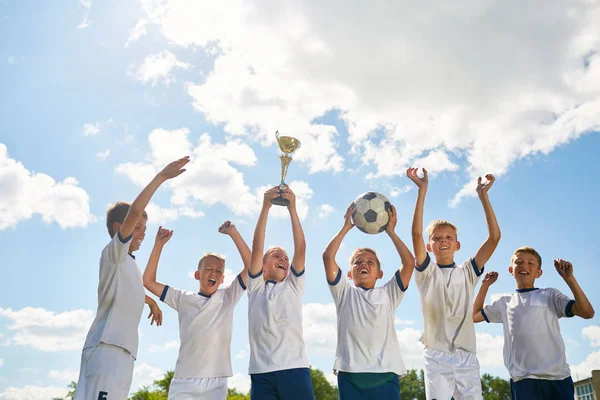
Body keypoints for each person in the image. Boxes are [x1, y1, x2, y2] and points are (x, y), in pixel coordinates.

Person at [75, 156, 190, 400]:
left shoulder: (129, 263)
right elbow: (136, 210)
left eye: (144, 230)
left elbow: (134, 288)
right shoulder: (114, 253)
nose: (142, 234)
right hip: (107, 347)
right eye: (137, 227)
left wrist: (150, 301)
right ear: (120, 228)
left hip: (124, 351)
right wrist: (161, 177)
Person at [407, 167, 501, 400]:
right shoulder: (426, 272)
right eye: (437, 238)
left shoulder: (468, 272)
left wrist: (483, 197)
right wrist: (422, 190)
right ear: (430, 246)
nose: (443, 241)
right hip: (436, 353)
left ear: (457, 245)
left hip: (466, 353)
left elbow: (494, 238)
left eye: (449, 237)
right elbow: (416, 234)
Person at [143, 220, 250, 399]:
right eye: (208, 269)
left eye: (218, 271)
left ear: (223, 278)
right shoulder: (182, 298)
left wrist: (233, 233)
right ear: (197, 274)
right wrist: (159, 245)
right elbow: (148, 282)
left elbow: (252, 267)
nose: (214, 273)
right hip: (184, 381)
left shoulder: (228, 296)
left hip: (216, 382)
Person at [473, 248, 595, 399]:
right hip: (524, 381)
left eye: (531, 263)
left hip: (558, 379)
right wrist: (485, 285)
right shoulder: (505, 303)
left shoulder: (550, 295)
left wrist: (569, 279)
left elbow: (587, 313)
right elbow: (473, 316)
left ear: (538, 272)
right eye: (519, 262)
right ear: (511, 270)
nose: (524, 265)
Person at [322, 203, 414, 399]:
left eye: (369, 262)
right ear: (349, 272)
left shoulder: (389, 294)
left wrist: (391, 232)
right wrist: (346, 227)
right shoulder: (344, 293)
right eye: (357, 262)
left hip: (386, 373)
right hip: (350, 375)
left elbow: (409, 263)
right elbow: (328, 256)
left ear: (379, 273)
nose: (363, 263)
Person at [247, 185, 315, 399]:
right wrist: (265, 207)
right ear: (263, 265)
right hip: (261, 372)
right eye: (277, 256)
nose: (284, 260)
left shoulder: (293, 285)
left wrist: (292, 209)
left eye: (285, 258)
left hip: (294, 367)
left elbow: (301, 248)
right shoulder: (255, 287)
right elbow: (257, 248)